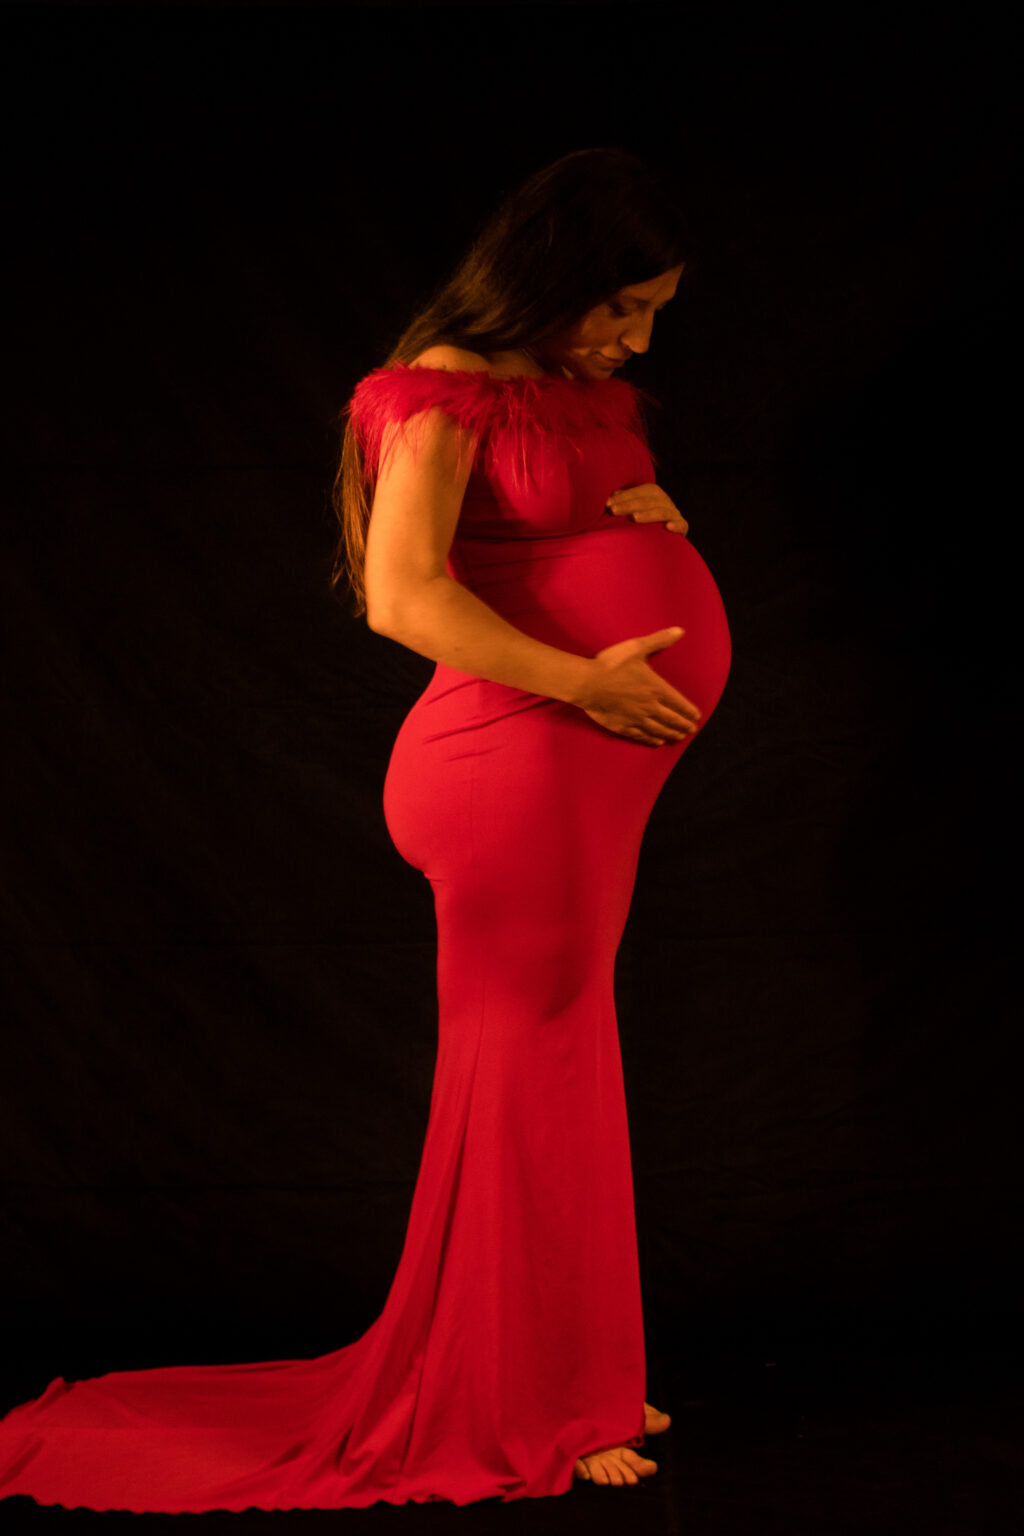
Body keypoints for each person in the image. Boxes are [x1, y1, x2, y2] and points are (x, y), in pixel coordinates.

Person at [0, 146, 730, 1510]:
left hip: (582, 772)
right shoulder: (443, 392)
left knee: (564, 1058)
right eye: (621, 307)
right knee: (529, 1063)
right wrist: (587, 677)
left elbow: (582, 521)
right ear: (550, 276)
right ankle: (527, 1406)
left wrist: (650, 518)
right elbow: (403, 593)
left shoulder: (574, 393)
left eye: (654, 314)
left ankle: (573, 1376)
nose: (637, 338)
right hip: (512, 761)